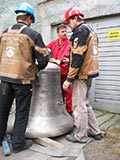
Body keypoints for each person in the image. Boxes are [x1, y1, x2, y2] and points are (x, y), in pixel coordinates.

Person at [0, 2, 50, 153]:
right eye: (31, 21)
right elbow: (43, 59)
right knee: (21, 112)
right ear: (28, 18)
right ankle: (18, 144)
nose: (30, 24)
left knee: (2, 110)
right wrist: (35, 69)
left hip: (4, 79)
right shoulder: (32, 35)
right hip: (22, 81)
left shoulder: (3, 33)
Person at [63, 7, 103, 143]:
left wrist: (69, 79)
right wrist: (73, 60)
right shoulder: (91, 30)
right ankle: (95, 131)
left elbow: (78, 55)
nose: (68, 25)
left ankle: (80, 136)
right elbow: (86, 53)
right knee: (86, 103)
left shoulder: (80, 31)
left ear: (75, 18)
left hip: (81, 74)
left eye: (69, 21)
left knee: (78, 106)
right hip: (90, 72)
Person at [46, 24, 73, 115]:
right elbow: (45, 49)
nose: (65, 33)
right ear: (58, 33)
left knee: (68, 94)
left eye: (66, 31)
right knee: (57, 93)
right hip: (55, 75)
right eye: (62, 32)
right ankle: (58, 111)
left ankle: (69, 113)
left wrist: (64, 60)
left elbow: (68, 57)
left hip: (65, 74)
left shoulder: (69, 43)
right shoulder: (53, 43)